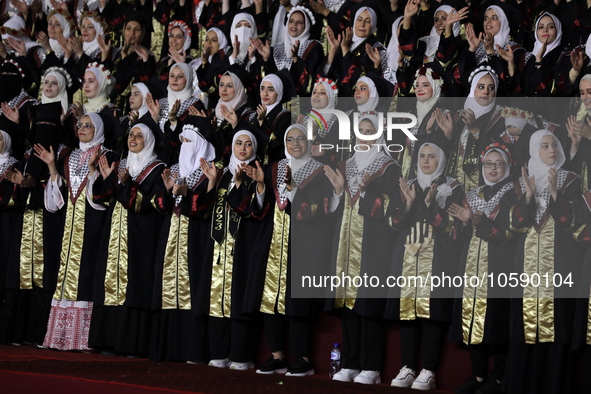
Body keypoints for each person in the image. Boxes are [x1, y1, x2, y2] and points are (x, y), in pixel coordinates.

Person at [324, 112, 404, 385]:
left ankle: (372, 367)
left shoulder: (389, 167)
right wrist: (337, 191)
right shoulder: (346, 166)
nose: (364, 136)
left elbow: (397, 210)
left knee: (368, 304)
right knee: (348, 304)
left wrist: (369, 192)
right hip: (346, 244)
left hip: (374, 244)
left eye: (370, 131)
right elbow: (334, 211)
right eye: (361, 131)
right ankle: (350, 362)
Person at [505, 130, 582, 394]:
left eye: (554, 145)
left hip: (559, 263)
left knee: (556, 324)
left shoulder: (571, 180)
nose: (550, 150)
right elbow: (514, 225)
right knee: (524, 325)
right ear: (534, 150)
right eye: (544, 146)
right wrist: (527, 197)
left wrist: (556, 195)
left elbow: (575, 222)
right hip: (525, 264)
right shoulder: (522, 181)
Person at [387, 135, 466, 391]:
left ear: (441, 159)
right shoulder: (406, 185)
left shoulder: (452, 188)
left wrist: (432, 207)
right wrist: (409, 205)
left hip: (438, 257)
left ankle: (429, 370)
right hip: (408, 258)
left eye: (432, 156)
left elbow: (456, 229)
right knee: (408, 312)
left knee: (431, 313)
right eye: (422, 155)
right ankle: (408, 366)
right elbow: (393, 223)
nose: (426, 161)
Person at [34, 113, 117, 351]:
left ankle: (84, 339)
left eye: (88, 126)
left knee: (88, 273)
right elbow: (57, 201)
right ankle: (61, 337)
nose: (82, 129)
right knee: (66, 271)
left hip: (94, 226)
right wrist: (51, 166)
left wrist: (93, 171)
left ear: (98, 129)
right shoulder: (69, 156)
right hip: (69, 228)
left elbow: (103, 196)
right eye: (79, 125)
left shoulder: (107, 155)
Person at [255, 124, 330, 377]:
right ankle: (276, 356)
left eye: (300, 139)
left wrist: (296, 190)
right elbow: (261, 208)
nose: (295, 143)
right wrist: (261, 187)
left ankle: (303, 359)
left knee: (297, 300)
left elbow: (323, 209)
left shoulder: (320, 171)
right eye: (290, 139)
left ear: (308, 143)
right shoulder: (274, 168)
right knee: (272, 298)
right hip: (274, 241)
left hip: (305, 244)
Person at [89, 122, 166, 357]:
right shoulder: (121, 164)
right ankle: (108, 340)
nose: (133, 138)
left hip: (141, 237)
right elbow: (101, 197)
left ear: (149, 141)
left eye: (139, 136)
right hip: (115, 234)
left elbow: (147, 204)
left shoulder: (157, 169)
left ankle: (132, 344)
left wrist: (125, 184)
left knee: (135, 284)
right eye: (131, 134)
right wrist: (103, 177)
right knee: (111, 281)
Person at [449, 143, 518, 394]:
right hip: (470, 265)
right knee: (471, 318)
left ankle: (498, 378)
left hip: (500, 265)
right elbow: (458, 236)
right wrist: (466, 223)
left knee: (498, 320)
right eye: (488, 163)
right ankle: (477, 376)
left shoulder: (513, 193)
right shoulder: (472, 193)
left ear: (507, 167)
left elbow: (511, 234)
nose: (493, 168)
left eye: (498, 164)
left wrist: (480, 223)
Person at [150, 119, 218, 363]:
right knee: (167, 286)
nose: (185, 146)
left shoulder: (210, 171)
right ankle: (167, 350)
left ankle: (193, 351)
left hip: (196, 239)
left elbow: (207, 209)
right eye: (183, 142)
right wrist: (168, 191)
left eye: (190, 141)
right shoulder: (176, 170)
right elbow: (159, 206)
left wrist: (188, 194)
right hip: (171, 237)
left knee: (193, 287)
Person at [208, 130, 268, 370]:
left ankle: (241, 355)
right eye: (238, 143)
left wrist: (246, 183)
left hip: (245, 247)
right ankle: (218, 351)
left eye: (247, 145)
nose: (242, 148)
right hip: (218, 248)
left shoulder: (257, 174)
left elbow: (257, 210)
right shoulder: (221, 174)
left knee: (241, 296)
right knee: (216, 297)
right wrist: (212, 182)